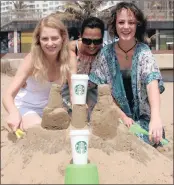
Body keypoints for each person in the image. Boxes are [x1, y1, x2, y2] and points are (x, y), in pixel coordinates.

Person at [89, 2, 165, 146]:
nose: (126, 27)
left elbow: (152, 84)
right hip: (114, 117)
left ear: (137, 25)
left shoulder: (144, 51)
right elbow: (100, 93)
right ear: (114, 25)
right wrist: (123, 117)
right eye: (121, 22)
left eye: (131, 22)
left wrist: (156, 118)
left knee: (146, 137)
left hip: (143, 120)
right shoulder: (105, 54)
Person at [2, 13, 71, 131]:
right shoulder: (32, 59)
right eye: (45, 38)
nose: (50, 43)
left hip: (52, 108)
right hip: (28, 108)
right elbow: (8, 95)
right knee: (41, 131)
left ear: (63, 38)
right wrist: (13, 113)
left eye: (54, 38)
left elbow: (73, 91)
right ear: (38, 40)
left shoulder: (70, 59)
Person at [62, 17, 105, 118]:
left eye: (97, 41)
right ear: (80, 36)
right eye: (87, 41)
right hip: (71, 89)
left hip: (94, 90)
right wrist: (75, 100)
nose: (92, 46)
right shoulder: (72, 48)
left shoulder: (104, 51)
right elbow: (72, 75)